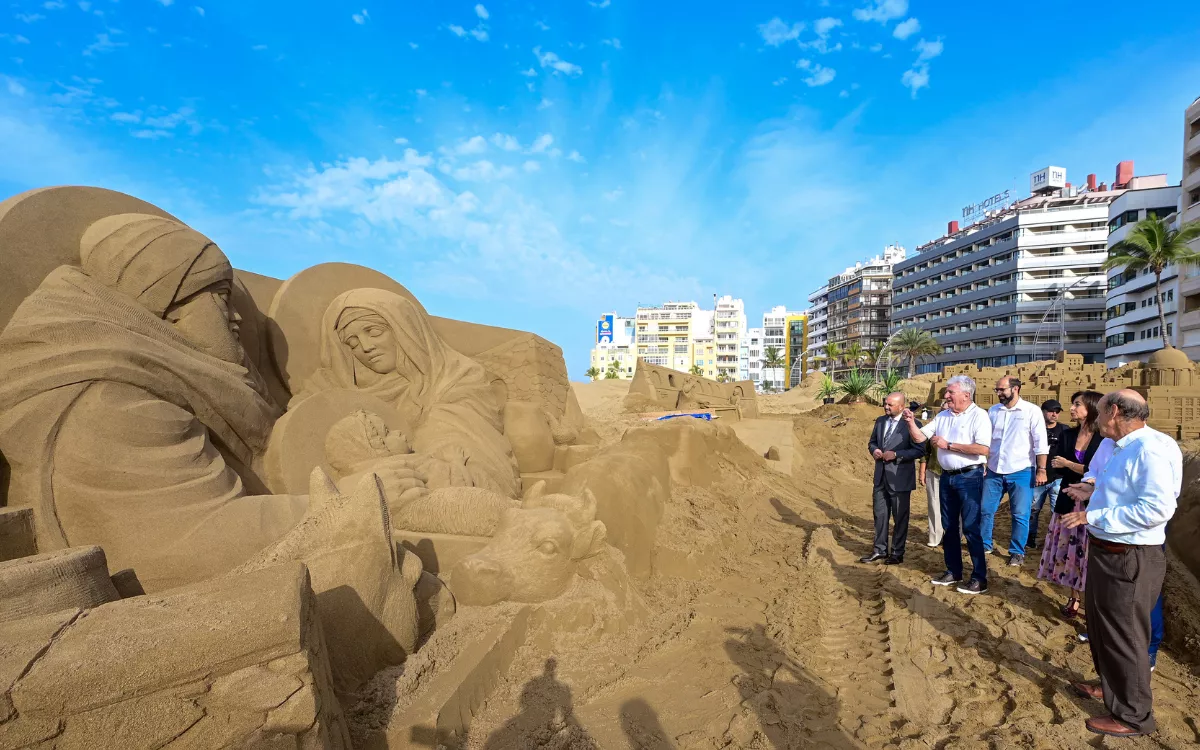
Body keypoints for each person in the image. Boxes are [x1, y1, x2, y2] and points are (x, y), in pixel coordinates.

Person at [0, 214, 426, 591]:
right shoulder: (112, 401)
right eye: (220, 299)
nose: (237, 316)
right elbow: (191, 544)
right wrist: (351, 496)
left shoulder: (157, 382)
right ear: (170, 307)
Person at [294, 288, 520, 497]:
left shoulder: (457, 377)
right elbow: (303, 414)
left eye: (373, 331)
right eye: (352, 343)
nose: (365, 347)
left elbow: (465, 449)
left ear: (405, 329)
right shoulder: (337, 384)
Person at [1060, 390, 1181, 738]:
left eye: (1099, 414)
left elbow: (1155, 510)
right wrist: (1091, 491)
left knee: (1124, 635)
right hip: (1108, 552)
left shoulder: (1151, 450)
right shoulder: (1123, 447)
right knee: (1101, 628)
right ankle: (1111, 688)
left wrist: (1091, 515)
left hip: (1129, 558)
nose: (1095, 422)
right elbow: (1122, 490)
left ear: (1114, 412)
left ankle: (1133, 716)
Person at [903, 375, 992, 595]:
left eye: (951, 392)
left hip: (970, 478)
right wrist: (910, 422)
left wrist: (948, 445)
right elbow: (919, 439)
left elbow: (982, 449)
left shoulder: (979, 416)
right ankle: (954, 571)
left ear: (966, 394)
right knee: (949, 527)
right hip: (946, 477)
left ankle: (979, 578)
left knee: (971, 528)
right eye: (947, 392)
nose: (946, 396)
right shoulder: (942, 416)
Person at [1037, 391, 1105, 619]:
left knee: (1089, 554)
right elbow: (1059, 466)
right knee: (1070, 553)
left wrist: (1070, 464)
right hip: (1068, 500)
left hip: (1091, 505)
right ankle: (1074, 597)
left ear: (1092, 408)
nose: (1072, 409)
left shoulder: (1104, 439)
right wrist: (1075, 467)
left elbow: (1101, 473)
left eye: (1077, 404)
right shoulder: (1067, 434)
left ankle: (1093, 604)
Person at [980, 377, 1049, 567]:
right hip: (994, 470)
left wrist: (1041, 470)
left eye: (1001, 389)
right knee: (986, 510)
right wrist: (984, 463)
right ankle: (985, 545)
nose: (998, 393)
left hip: (1022, 470)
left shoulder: (1031, 411)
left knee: (1020, 514)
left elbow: (1040, 444)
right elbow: (986, 440)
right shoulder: (994, 411)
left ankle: (1017, 552)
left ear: (1015, 389)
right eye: (997, 390)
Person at [863, 392, 925, 565]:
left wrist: (896, 454)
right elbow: (872, 442)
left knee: (900, 517)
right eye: (885, 403)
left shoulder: (913, 424)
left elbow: (920, 450)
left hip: (900, 479)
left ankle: (897, 553)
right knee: (880, 515)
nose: (886, 407)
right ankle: (879, 550)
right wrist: (874, 450)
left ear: (901, 406)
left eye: (890, 405)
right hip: (881, 477)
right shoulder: (881, 421)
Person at [1027, 399, 1068, 551]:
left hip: (1058, 478)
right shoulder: (1035, 430)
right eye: (1051, 411)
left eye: (1057, 412)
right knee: (1033, 511)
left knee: (1057, 511)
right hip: (1038, 478)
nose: (1054, 414)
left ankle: (1056, 541)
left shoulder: (1064, 430)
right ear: (1042, 411)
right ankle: (1029, 539)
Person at [917, 393, 951, 548]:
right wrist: (922, 472)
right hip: (935, 470)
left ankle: (952, 536)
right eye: (943, 410)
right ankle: (935, 536)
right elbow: (925, 453)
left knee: (954, 507)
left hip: (955, 472)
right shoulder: (933, 430)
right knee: (934, 504)